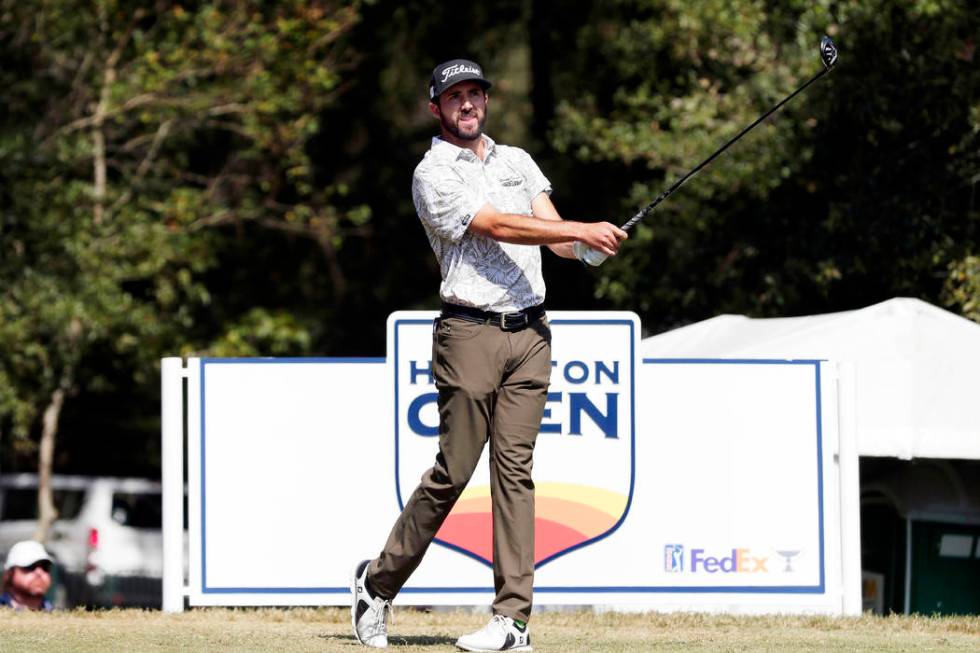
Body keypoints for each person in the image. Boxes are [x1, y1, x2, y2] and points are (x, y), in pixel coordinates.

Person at [351, 58, 627, 652]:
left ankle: (512, 621)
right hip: (469, 332)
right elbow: (496, 226)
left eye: (476, 93)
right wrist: (580, 227)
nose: (468, 104)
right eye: (456, 97)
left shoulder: (518, 160)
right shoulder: (432, 172)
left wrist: (590, 246)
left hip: (532, 334)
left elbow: (554, 239)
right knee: (454, 472)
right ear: (437, 108)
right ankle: (377, 584)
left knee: (516, 473)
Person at [1, 540, 55, 611]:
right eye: (30, 566)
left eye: (45, 567)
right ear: (10, 573)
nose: (39, 572)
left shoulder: (58, 615)